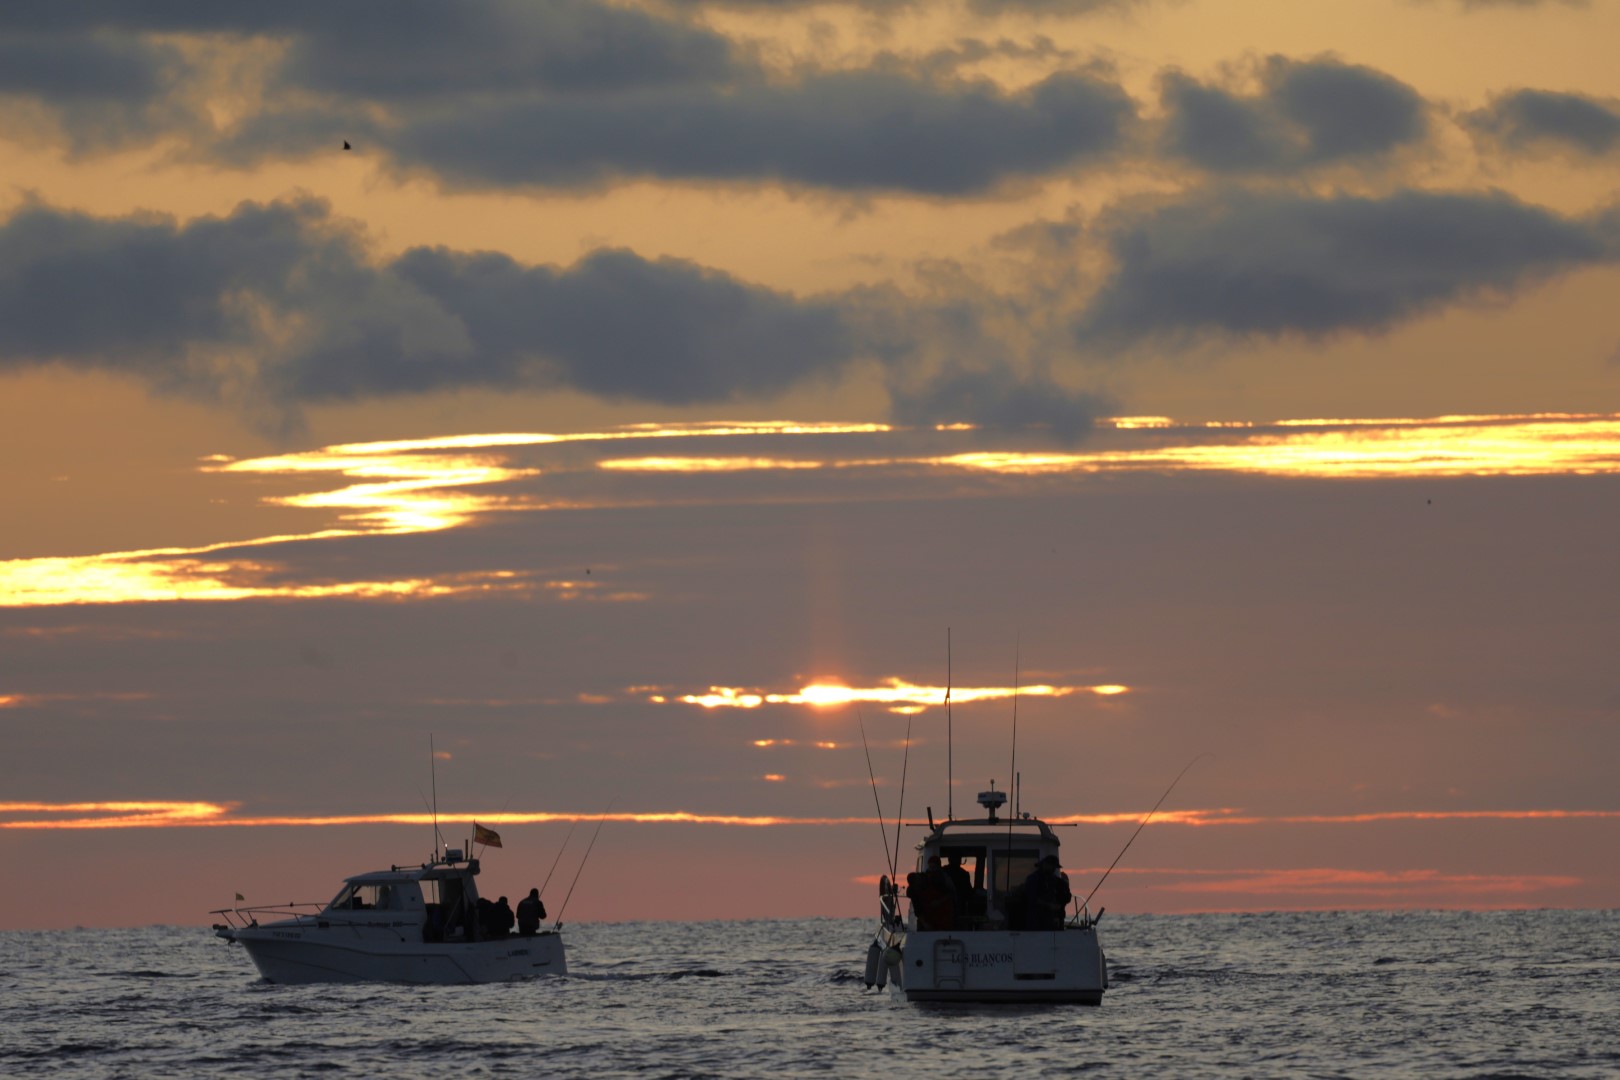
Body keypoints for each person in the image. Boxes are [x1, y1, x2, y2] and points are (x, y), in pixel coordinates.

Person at [1023, 854, 1072, 931]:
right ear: (1045, 864)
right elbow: (1032, 898)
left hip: (1052, 921)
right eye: (1052, 866)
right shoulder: (1033, 879)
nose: (1053, 869)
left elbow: (1067, 898)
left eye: (1055, 867)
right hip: (1035, 921)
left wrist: (1066, 886)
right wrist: (1049, 905)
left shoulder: (1057, 881)